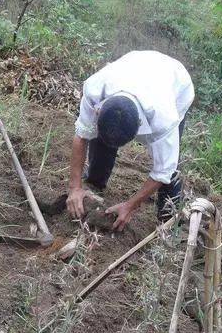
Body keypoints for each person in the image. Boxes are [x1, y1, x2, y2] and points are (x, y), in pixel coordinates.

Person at [66, 50, 194, 231]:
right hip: (133, 64)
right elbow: (81, 135)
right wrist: (74, 187)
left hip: (176, 82)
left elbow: (163, 170)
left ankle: (169, 218)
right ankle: (95, 181)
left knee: (170, 164)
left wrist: (131, 205)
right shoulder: (96, 89)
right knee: (102, 140)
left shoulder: (165, 118)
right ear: (99, 110)